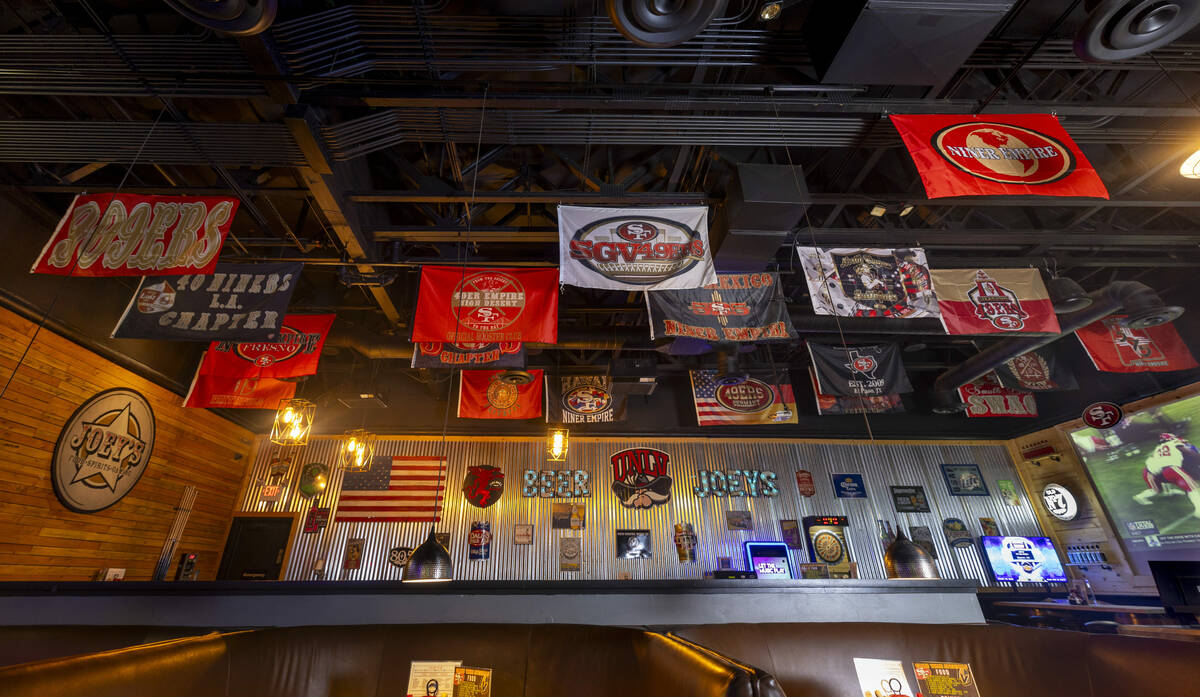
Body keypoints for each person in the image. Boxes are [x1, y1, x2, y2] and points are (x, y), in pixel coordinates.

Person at [1134, 433, 1200, 518]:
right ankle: (1198, 510)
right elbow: (1188, 451)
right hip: (1168, 469)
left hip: (1162, 471)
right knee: (1192, 487)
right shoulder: (1174, 442)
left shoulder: (1157, 448)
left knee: (1160, 487)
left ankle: (1168, 492)